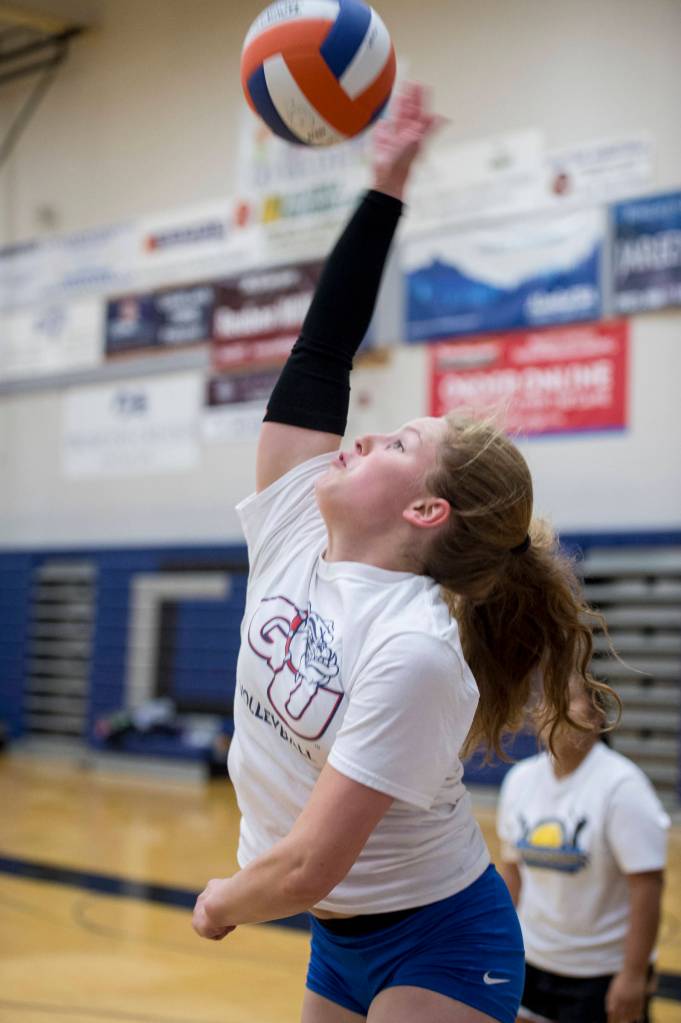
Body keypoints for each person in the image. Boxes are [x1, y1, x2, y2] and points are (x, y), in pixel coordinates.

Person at [191, 82, 614, 1023]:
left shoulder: (416, 650)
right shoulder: (295, 519)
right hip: (337, 933)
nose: (365, 434)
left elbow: (307, 863)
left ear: (425, 508)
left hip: (438, 933)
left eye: (395, 444)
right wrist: (385, 181)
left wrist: (222, 898)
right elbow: (320, 350)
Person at [497, 676, 669, 1023]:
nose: (553, 710)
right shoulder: (519, 781)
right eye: (547, 701)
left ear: (596, 717)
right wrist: (499, 949)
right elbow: (513, 875)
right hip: (532, 961)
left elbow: (647, 888)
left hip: (600, 974)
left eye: (568, 700)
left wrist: (634, 976)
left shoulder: (623, 787)